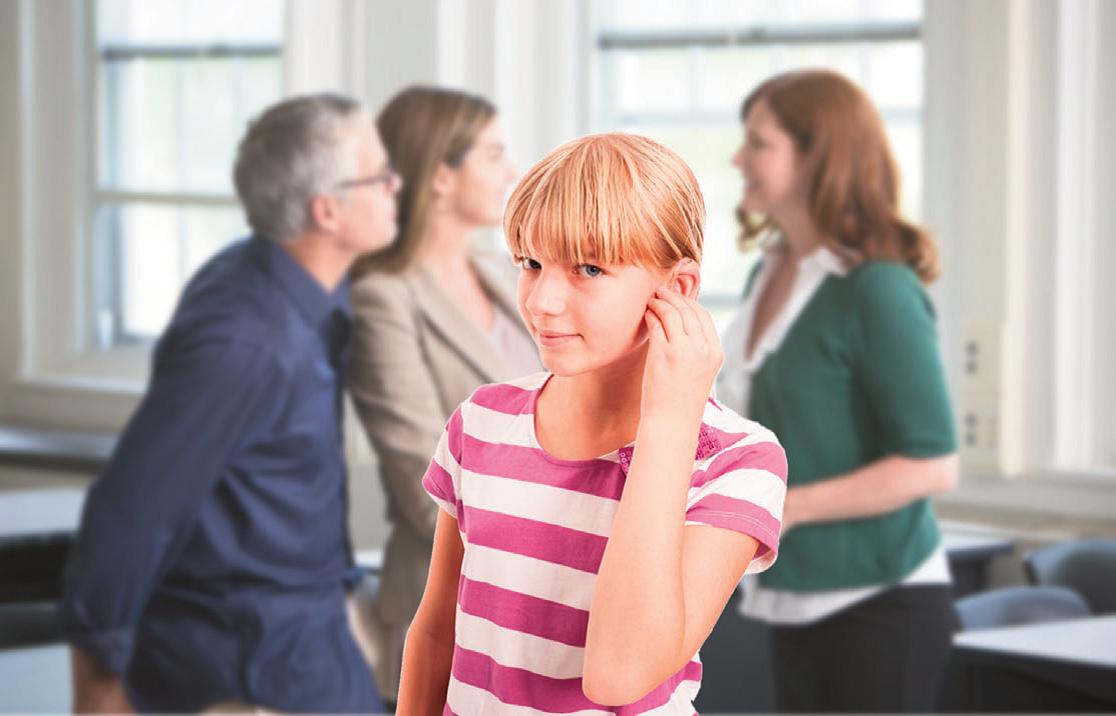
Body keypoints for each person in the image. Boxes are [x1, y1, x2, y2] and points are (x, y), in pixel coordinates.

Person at [396, 132, 788, 715]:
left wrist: (668, 418)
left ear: (674, 290)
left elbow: (619, 674)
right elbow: (435, 634)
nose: (542, 302)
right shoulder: (479, 425)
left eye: (588, 268)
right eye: (530, 263)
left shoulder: (738, 462)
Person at [56, 92, 399, 714]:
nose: (394, 185)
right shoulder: (249, 340)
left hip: (311, 621)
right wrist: (99, 680)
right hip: (255, 656)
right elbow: (133, 507)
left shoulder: (290, 287)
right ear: (327, 210)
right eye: (379, 175)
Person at [717, 68, 959, 712]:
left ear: (818, 154)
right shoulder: (764, 273)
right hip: (792, 595)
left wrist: (785, 508)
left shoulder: (877, 289)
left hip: (879, 603)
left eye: (759, 143)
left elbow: (932, 465)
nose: (739, 158)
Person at [345, 85, 540, 703]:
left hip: (550, 608)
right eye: (493, 155)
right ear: (439, 176)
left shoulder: (504, 272)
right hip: (454, 611)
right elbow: (421, 478)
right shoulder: (382, 295)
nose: (511, 172)